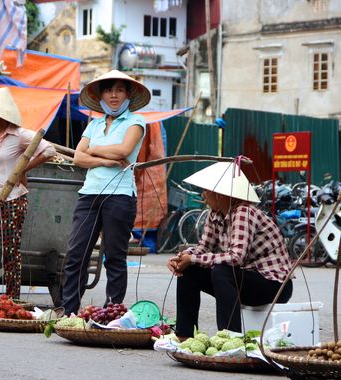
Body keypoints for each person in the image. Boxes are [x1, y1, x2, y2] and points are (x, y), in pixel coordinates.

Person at [167, 161, 293, 338]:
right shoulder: (215, 215)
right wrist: (185, 257)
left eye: (206, 191)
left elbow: (236, 258)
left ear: (220, 194)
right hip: (244, 279)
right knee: (189, 271)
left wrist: (194, 259)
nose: (203, 196)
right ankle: (184, 334)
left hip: (273, 285)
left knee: (222, 271)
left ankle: (229, 337)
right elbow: (204, 248)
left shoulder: (244, 212)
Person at [61, 70, 151, 315]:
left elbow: (124, 150)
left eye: (119, 90)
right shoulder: (95, 123)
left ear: (128, 95)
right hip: (89, 193)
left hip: (120, 196)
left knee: (113, 257)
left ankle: (111, 312)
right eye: (109, 90)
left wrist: (95, 150)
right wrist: (105, 159)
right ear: (101, 94)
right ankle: (69, 311)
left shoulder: (136, 121)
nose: (114, 95)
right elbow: (78, 158)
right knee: (76, 254)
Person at [0, 87, 56, 299]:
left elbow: (49, 151)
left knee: (10, 252)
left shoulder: (20, 136)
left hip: (13, 200)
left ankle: (11, 298)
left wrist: (22, 169)